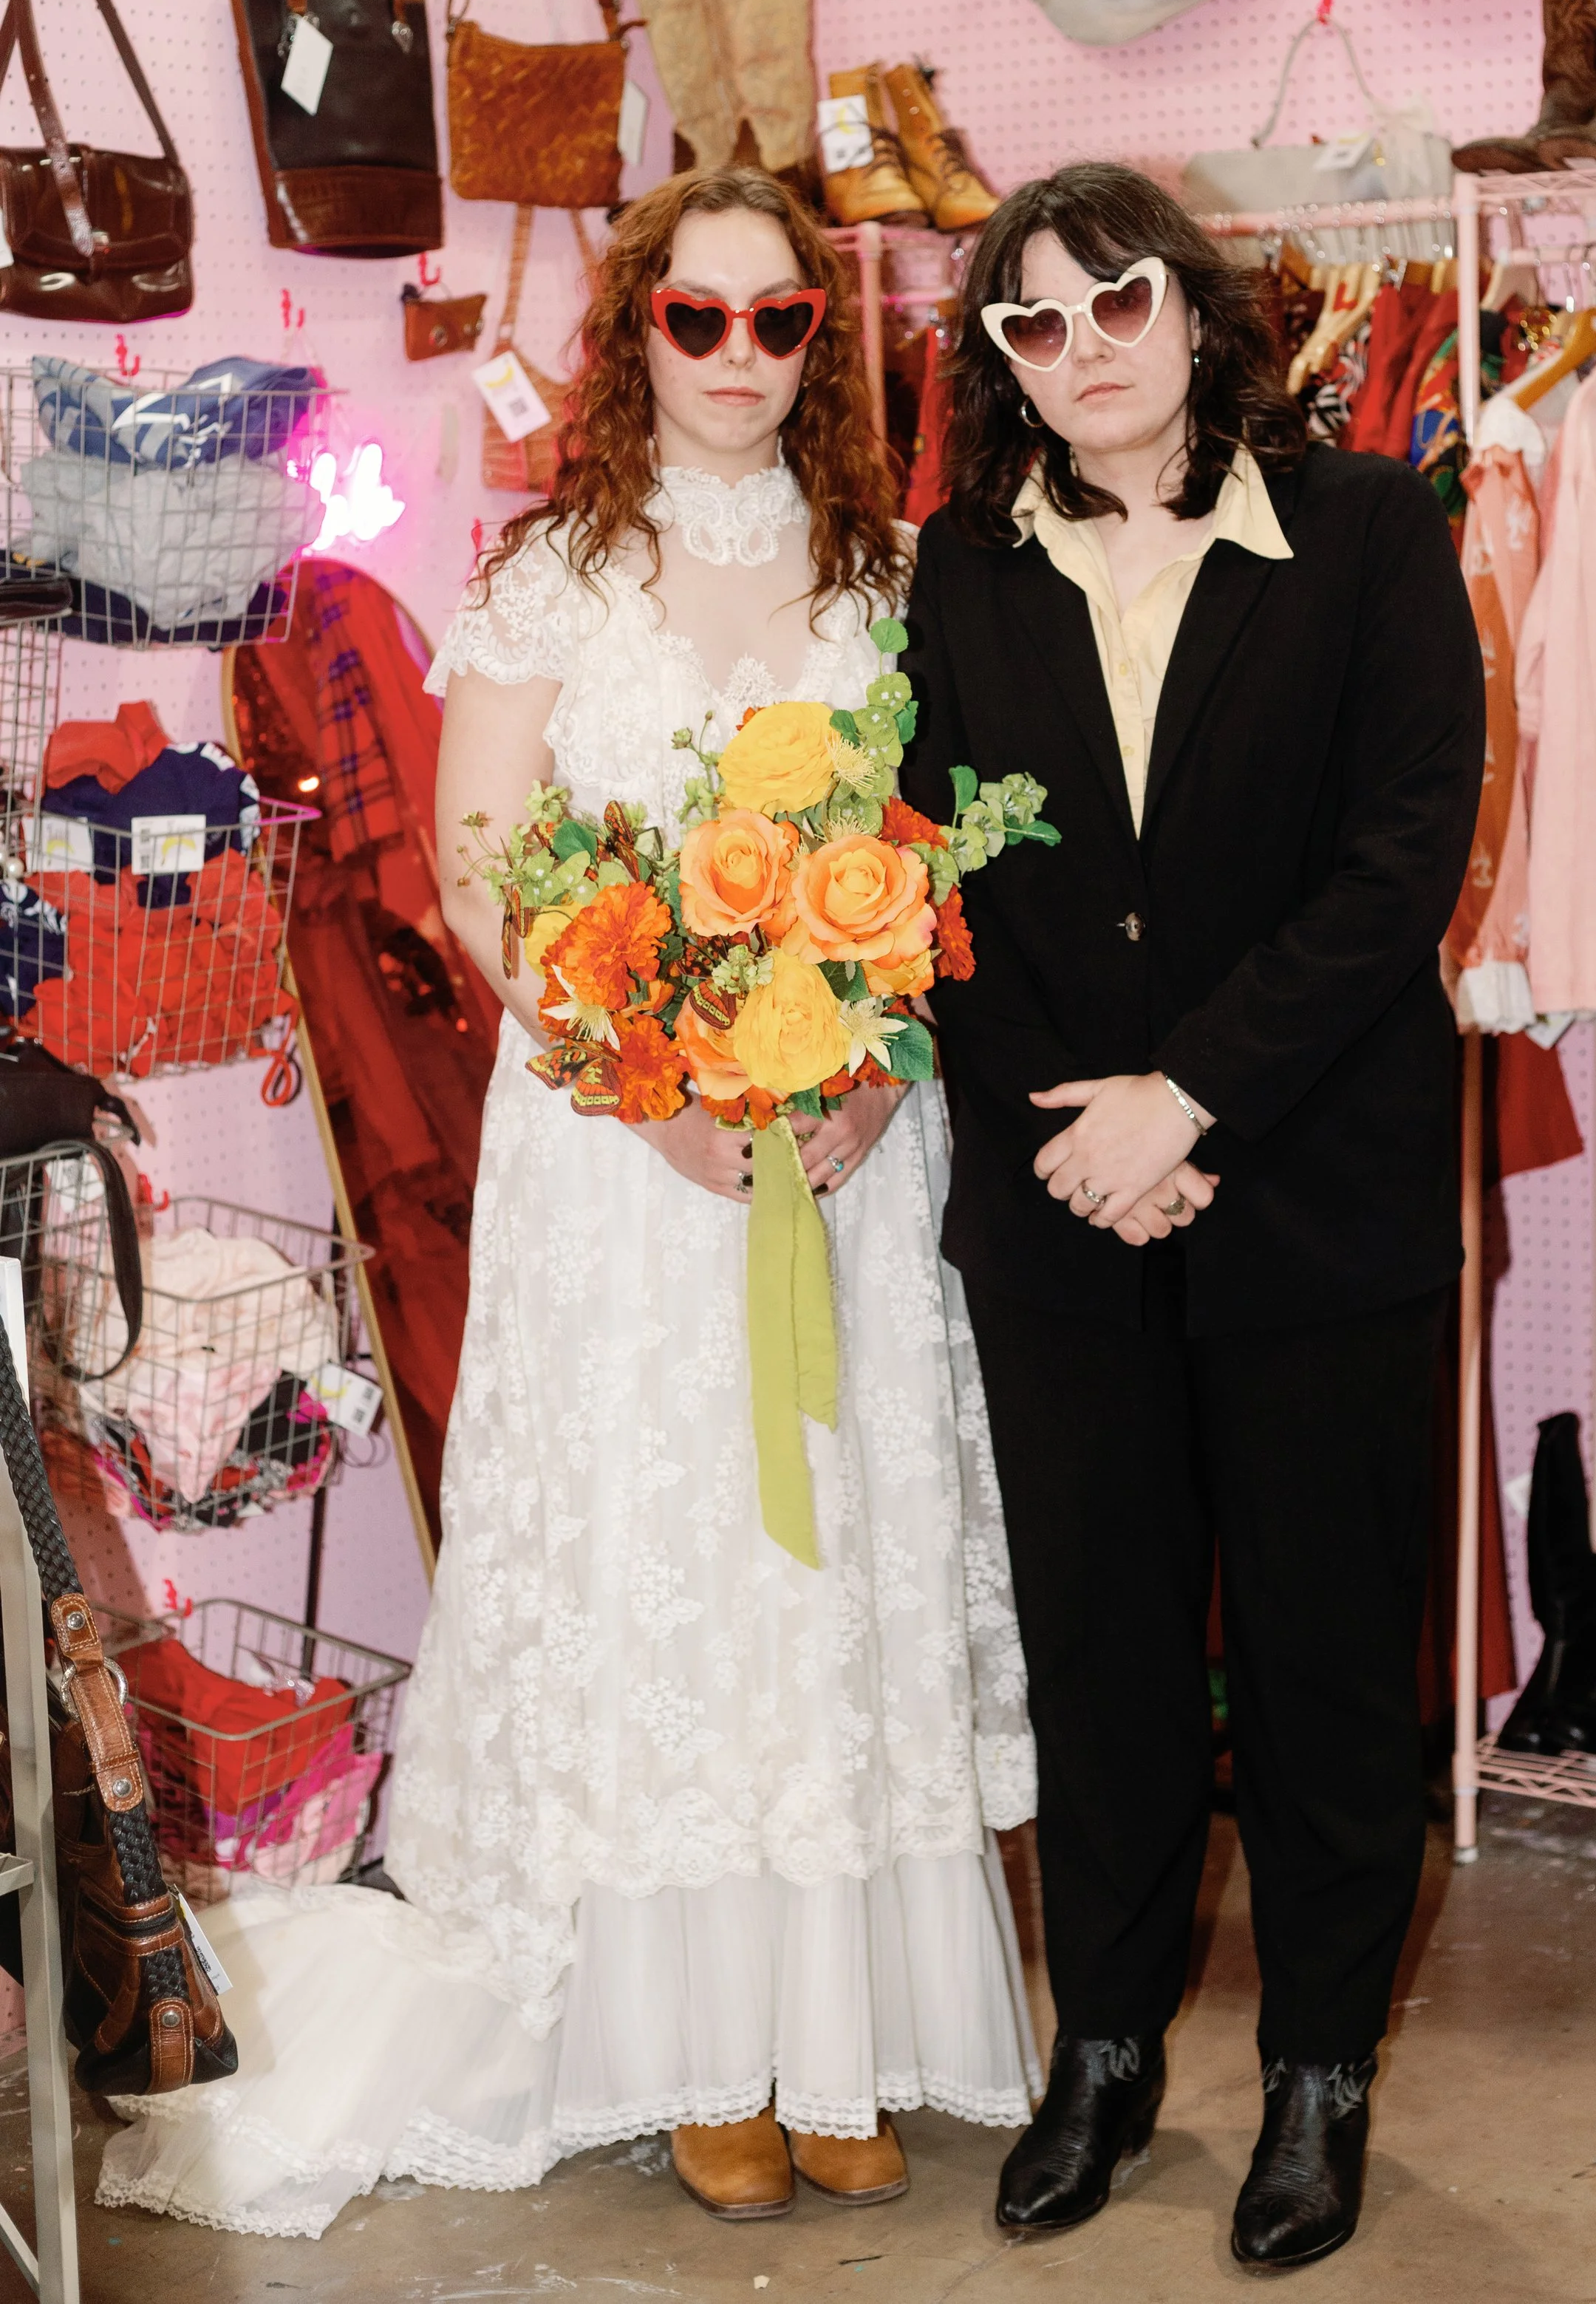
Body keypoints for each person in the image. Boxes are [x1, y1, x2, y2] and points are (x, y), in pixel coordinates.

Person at [97, 168, 1037, 2238]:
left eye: (778, 319)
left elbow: (932, 857)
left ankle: (834, 2028)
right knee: (668, 1546)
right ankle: (689, 2048)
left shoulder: (891, 574)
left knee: (831, 1544)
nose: (736, 355)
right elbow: (482, 866)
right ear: (636, 338)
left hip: (848, 1152)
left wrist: (876, 1063)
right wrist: (660, 1088)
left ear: (822, 342)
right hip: (626, 1159)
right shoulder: (550, 575)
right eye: (694, 318)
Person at [903, 164, 1483, 2271]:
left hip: (1314, 1196)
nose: (1083, 351)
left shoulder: (1365, 531)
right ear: (998, 366)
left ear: (1193, 302)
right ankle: (1108, 2043)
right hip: (1063, 1204)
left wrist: (1192, 1097)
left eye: (1116, 300)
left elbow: (1402, 855)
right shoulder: (964, 566)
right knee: (1104, 1658)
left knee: (1327, 1661)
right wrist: (1083, 1138)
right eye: (1031, 325)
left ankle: (1319, 2069)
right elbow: (931, 876)